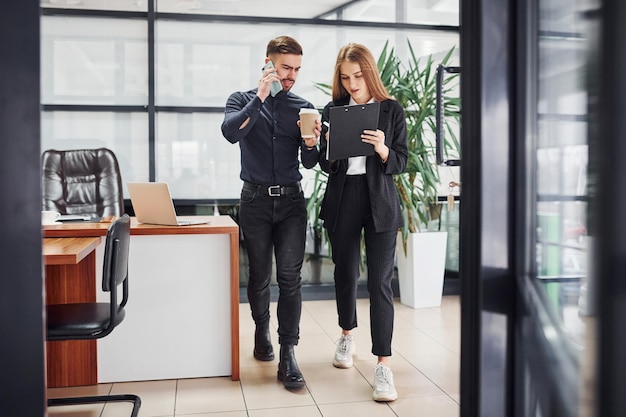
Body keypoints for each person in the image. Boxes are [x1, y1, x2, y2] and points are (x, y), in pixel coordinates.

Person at [221, 36, 320, 389]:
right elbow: (230, 132)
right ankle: (261, 330)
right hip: (255, 202)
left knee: (291, 278)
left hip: (292, 202)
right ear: (268, 64)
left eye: (296, 69)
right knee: (260, 276)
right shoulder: (241, 100)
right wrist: (260, 98)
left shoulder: (303, 106)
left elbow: (310, 163)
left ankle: (288, 352)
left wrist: (312, 144)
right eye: (285, 68)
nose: (291, 75)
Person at [317, 43, 408, 402]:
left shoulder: (390, 110)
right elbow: (327, 166)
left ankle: (383, 364)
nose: (352, 84)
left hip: (380, 201)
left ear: (369, 73)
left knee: (381, 283)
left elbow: (401, 161)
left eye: (357, 76)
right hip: (344, 198)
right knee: (345, 271)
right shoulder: (333, 109)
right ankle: (346, 334)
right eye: (345, 78)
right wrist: (326, 145)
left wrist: (383, 148)